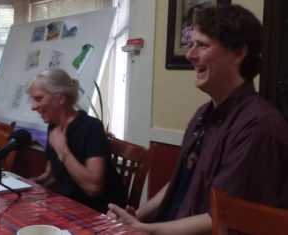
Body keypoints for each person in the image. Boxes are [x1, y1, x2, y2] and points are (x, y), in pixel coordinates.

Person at [107, 4, 288, 234]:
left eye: (202, 45)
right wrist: (135, 218)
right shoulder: (202, 115)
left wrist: (148, 229)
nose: (190, 56)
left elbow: (221, 218)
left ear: (238, 53)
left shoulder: (257, 126)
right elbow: (180, 183)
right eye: (191, 45)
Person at [27, 68, 126, 214]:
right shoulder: (53, 127)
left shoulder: (91, 128)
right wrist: (28, 184)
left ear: (60, 98)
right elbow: (53, 175)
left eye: (39, 98)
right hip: (67, 206)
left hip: (100, 214)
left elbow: (93, 187)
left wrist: (62, 150)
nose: (33, 106)